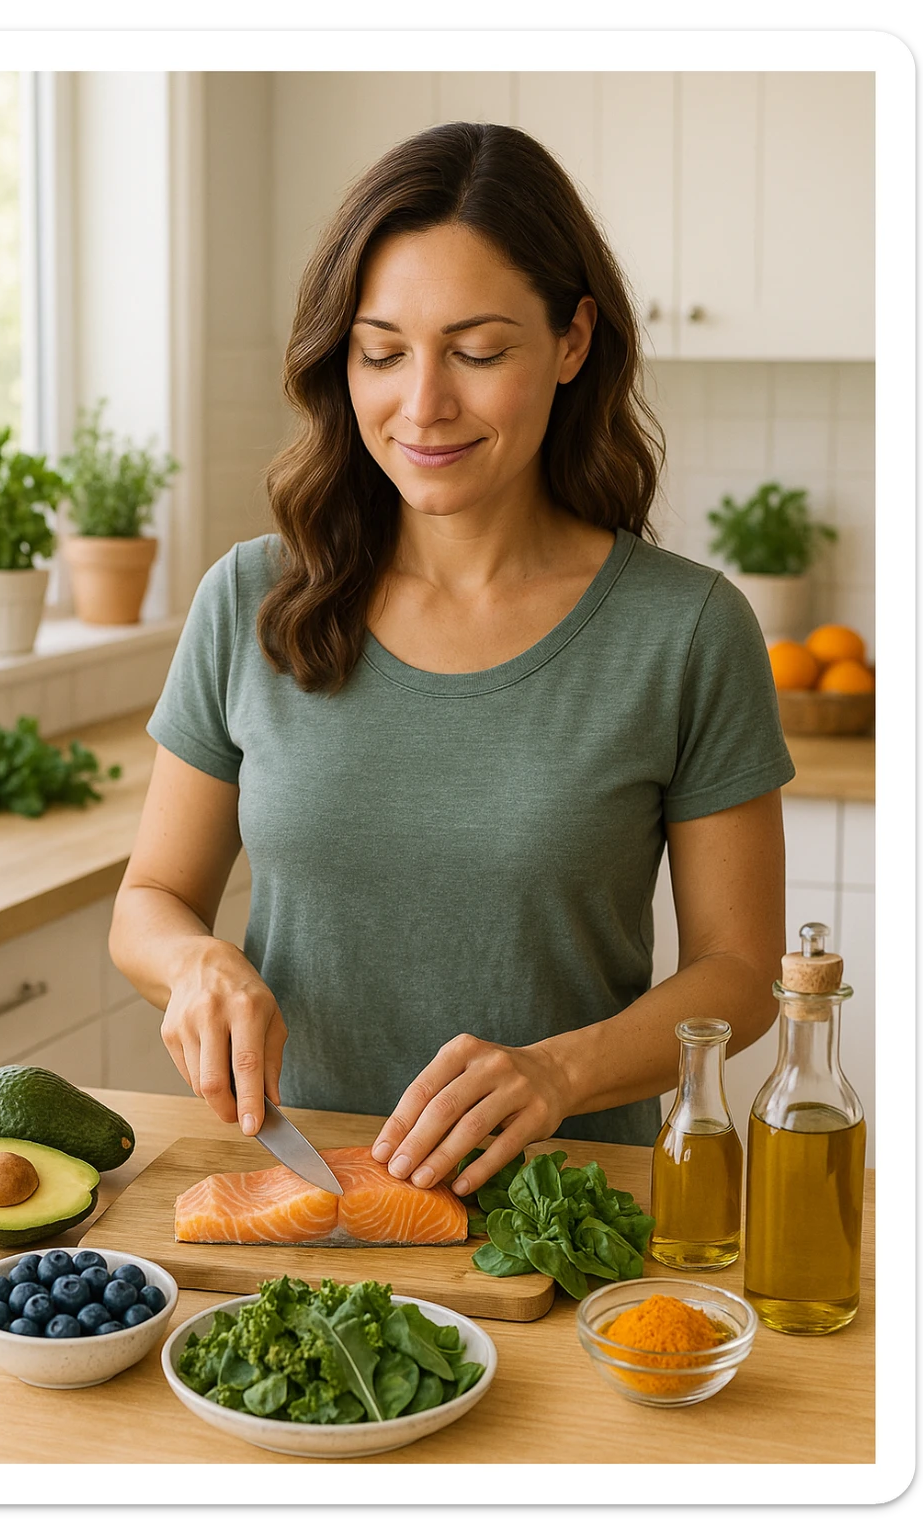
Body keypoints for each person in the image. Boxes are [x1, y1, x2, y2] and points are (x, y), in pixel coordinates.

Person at [109, 121, 793, 1200]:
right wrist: (195, 964)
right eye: (382, 352)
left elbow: (740, 977)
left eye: (477, 352)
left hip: (566, 1214)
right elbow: (149, 897)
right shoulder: (250, 598)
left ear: (572, 341)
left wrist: (558, 1071)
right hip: (302, 1198)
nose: (422, 404)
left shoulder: (688, 629)